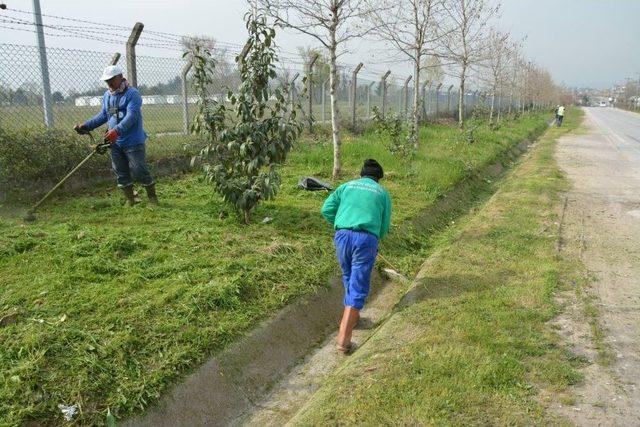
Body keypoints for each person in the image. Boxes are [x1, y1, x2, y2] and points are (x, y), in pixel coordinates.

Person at [321, 159, 392, 354]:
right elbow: (384, 226)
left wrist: (343, 223)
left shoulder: (345, 186)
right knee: (359, 283)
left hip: (342, 236)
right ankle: (344, 340)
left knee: (349, 276)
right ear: (378, 178)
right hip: (366, 239)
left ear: (361, 175)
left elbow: (326, 210)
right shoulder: (382, 194)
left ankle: (355, 319)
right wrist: (373, 239)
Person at [74, 65, 158, 205]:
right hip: (114, 142)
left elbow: (132, 116)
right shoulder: (107, 95)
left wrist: (116, 130)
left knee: (139, 170)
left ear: (120, 77)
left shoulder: (132, 94)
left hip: (133, 140)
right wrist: (86, 126)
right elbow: (104, 115)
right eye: (107, 81)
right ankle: (131, 200)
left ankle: (153, 199)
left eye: (112, 79)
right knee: (120, 171)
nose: (109, 83)